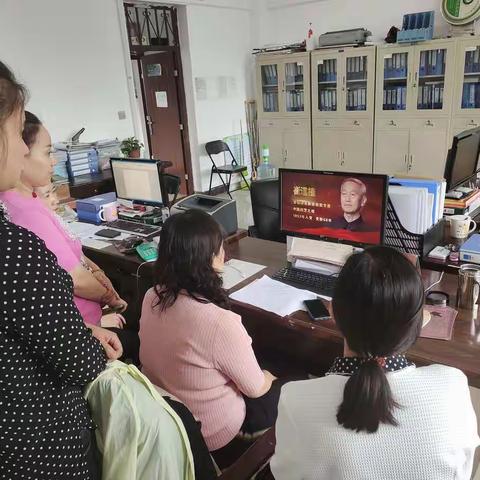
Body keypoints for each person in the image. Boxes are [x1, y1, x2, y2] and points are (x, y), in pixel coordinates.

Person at [0, 61, 122, 479]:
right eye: (17, 133)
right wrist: (94, 327)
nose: (19, 149)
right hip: (39, 450)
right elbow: (79, 363)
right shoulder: (12, 247)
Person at [271, 246, 479, 480]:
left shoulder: (295, 400)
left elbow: (284, 474)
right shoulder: (453, 387)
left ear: (333, 313)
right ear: (419, 322)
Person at [139, 210, 281, 456]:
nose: (224, 253)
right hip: (212, 432)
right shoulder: (218, 323)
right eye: (219, 248)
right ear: (208, 259)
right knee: (280, 383)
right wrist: (268, 376)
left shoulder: (152, 296)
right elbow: (255, 389)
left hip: (164, 417)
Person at [0, 112, 128, 330]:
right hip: (81, 328)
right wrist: (110, 298)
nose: (54, 160)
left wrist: (98, 273)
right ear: (21, 153)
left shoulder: (32, 198)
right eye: (48, 152)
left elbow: (74, 254)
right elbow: (75, 279)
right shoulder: (24, 212)